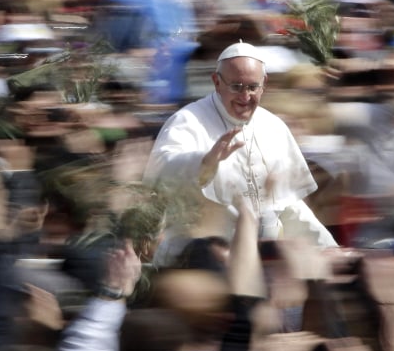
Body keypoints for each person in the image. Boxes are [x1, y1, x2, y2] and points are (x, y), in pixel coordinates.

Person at [143, 41, 338, 267]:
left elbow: (289, 206)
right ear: (217, 82)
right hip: (199, 261)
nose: (245, 96)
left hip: (261, 261)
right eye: (236, 86)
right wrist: (204, 162)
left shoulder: (274, 126)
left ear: (264, 84)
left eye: (253, 87)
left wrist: (327, 247)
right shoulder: (187, 120)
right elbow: (162, 171)